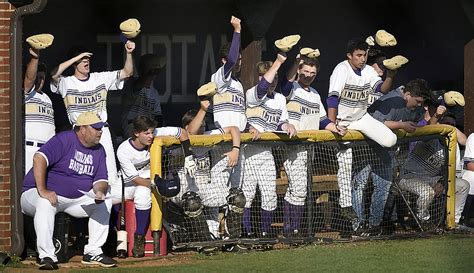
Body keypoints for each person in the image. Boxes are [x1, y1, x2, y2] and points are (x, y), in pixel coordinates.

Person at [21, 112, 116, 270]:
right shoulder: (64, 139)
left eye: (101, 128)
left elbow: (101, 179)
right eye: (96, 128)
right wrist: (43, 190)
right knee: (45, 203)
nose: (100, 131)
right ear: (82, 129)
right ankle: (46, 256)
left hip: (73, 200)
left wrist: (99, 192)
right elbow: (39, 158)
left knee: (104, 202)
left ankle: (93, 252)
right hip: (34, 194)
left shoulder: (99, 150)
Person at [326, 38, 398, 220]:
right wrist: (332, 124)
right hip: (343, 121)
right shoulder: (341, 69)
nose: (362, 58)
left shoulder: (368, 71)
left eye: (365, 54)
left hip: (361, 117)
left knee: (391, 140)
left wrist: (391, 74)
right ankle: (346, 205)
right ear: (349, 56)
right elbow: (332, 98)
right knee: (345, 162)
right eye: (358, 55)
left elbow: (382, 89)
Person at [50, 40, 136, 187]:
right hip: (79, 133)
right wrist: (76, 58)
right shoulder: (67, 82)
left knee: (110, 177)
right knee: (81, 175)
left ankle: (109, 208)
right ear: (74, 63)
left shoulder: (100, 78)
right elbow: (53, 74)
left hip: (101, 131)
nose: (86, 63)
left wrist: (129, 53)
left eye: (87, 60)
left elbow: (127, 72)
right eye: (82, 60)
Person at [351, 79, 430, 234]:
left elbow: (417, 116)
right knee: (359, 184)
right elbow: (376, 122)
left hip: (385, 150)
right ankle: (357, 225)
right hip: (365, 145)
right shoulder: (390, 99)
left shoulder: (413, 105)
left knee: (383, 186)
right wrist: (402, 125)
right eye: (417, 101)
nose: (419, 105)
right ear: (407, 94)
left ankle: (374, 225)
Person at [280, 54, 345, 237]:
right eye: (305, 71)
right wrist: (295, 62)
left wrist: (335, 128)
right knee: (299, 189)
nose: (309, 75)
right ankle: (292, 230)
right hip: (293, 145)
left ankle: (291, 229)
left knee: (297, 189)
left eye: (312, 72)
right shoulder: (292, 88)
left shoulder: (315, 93)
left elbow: (323, 120)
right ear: (299, 70)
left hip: (309, 148)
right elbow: (285, 83)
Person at [242, 52, 296, 238]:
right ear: (260, 77)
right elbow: (262, 88)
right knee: (247, 194)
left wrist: (287, 125)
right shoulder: (252, 94)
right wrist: (249, 127)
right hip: (248, 151)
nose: (272, 81)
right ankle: (246, 233)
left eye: (275, 78)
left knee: (270, 194)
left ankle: (265, 232)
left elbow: (280, 122)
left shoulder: (280, 99)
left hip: (265, 152)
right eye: (269, 77)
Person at [181, 96, 242, 239]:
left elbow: (234, 129)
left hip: (207, 188)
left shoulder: (208, 135)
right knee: (192, 201)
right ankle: (196, 237)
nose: (201, 127)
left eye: (203, 124)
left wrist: (235, 149)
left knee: (237, 198)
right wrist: (203, 109)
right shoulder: (180, 137)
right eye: (198, 124)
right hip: (187, 189)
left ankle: (228, 234)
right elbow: (191, 132)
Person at [24, 44, 55, 174]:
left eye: (42, 77)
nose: (39, 80)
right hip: (29, 149)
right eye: (37, 77)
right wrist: (35, 58)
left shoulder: (47, 98)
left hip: (46, 152)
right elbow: (29, 79)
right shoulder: (26, 93)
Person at [121, 54, 165, 138]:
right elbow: (141, 84)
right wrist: (149, 71)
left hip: (148, 132)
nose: (156, 72)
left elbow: (158, 117)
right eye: (154, 69)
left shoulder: (154, 92)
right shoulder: (132, 84)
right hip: (132, 132)